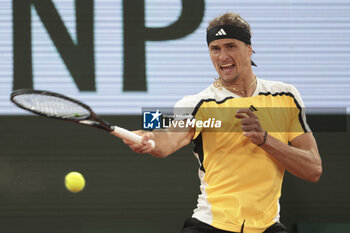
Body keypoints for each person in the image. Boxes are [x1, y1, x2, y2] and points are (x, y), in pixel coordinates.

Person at [121, 12, 322, 233]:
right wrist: (148, 139)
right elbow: (168, 140)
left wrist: (265, 140)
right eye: (215, 49)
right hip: (210, 226)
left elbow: (313, 169)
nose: (222, 56)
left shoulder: (285, 96)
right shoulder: (198, 104)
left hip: (267, 226)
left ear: (249, 49)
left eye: (230, 46)